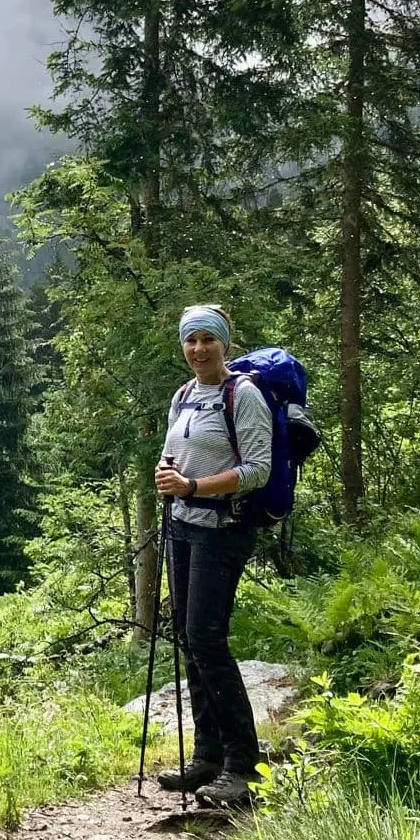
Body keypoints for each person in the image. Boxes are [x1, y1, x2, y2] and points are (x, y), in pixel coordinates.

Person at [152, 303, 272, 810]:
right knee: (189, 637)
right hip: (183, 525)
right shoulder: (184, 395)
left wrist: (194, 486)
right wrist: (167, 475)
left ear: (225, 343)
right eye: (191, 340)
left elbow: (259, 469)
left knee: (206, 638)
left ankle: (243, 766)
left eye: (207, 339)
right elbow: (175, 454)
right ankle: (208, 755)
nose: (198, 349)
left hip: (222, 529)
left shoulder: (242, 395)